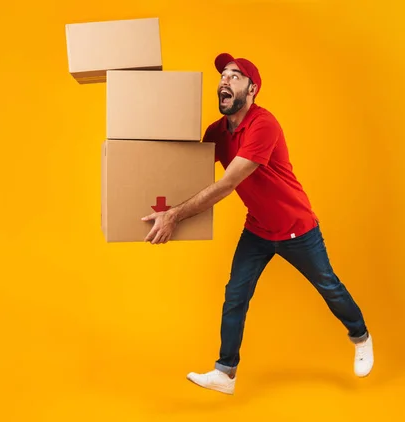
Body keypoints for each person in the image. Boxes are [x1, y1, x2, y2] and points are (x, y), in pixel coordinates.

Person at [141, 53, 374, 395]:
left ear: (252, 90)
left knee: (329, 286)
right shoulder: (217, 132)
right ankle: (225, 372)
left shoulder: (264, 125)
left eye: (235, 76)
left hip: (297, 227)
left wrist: (175, 215)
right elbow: (184, 168)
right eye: (223, 75)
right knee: (235, 295)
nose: (224, 80)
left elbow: (226, 184)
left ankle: (361, 336)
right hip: (258, 230)